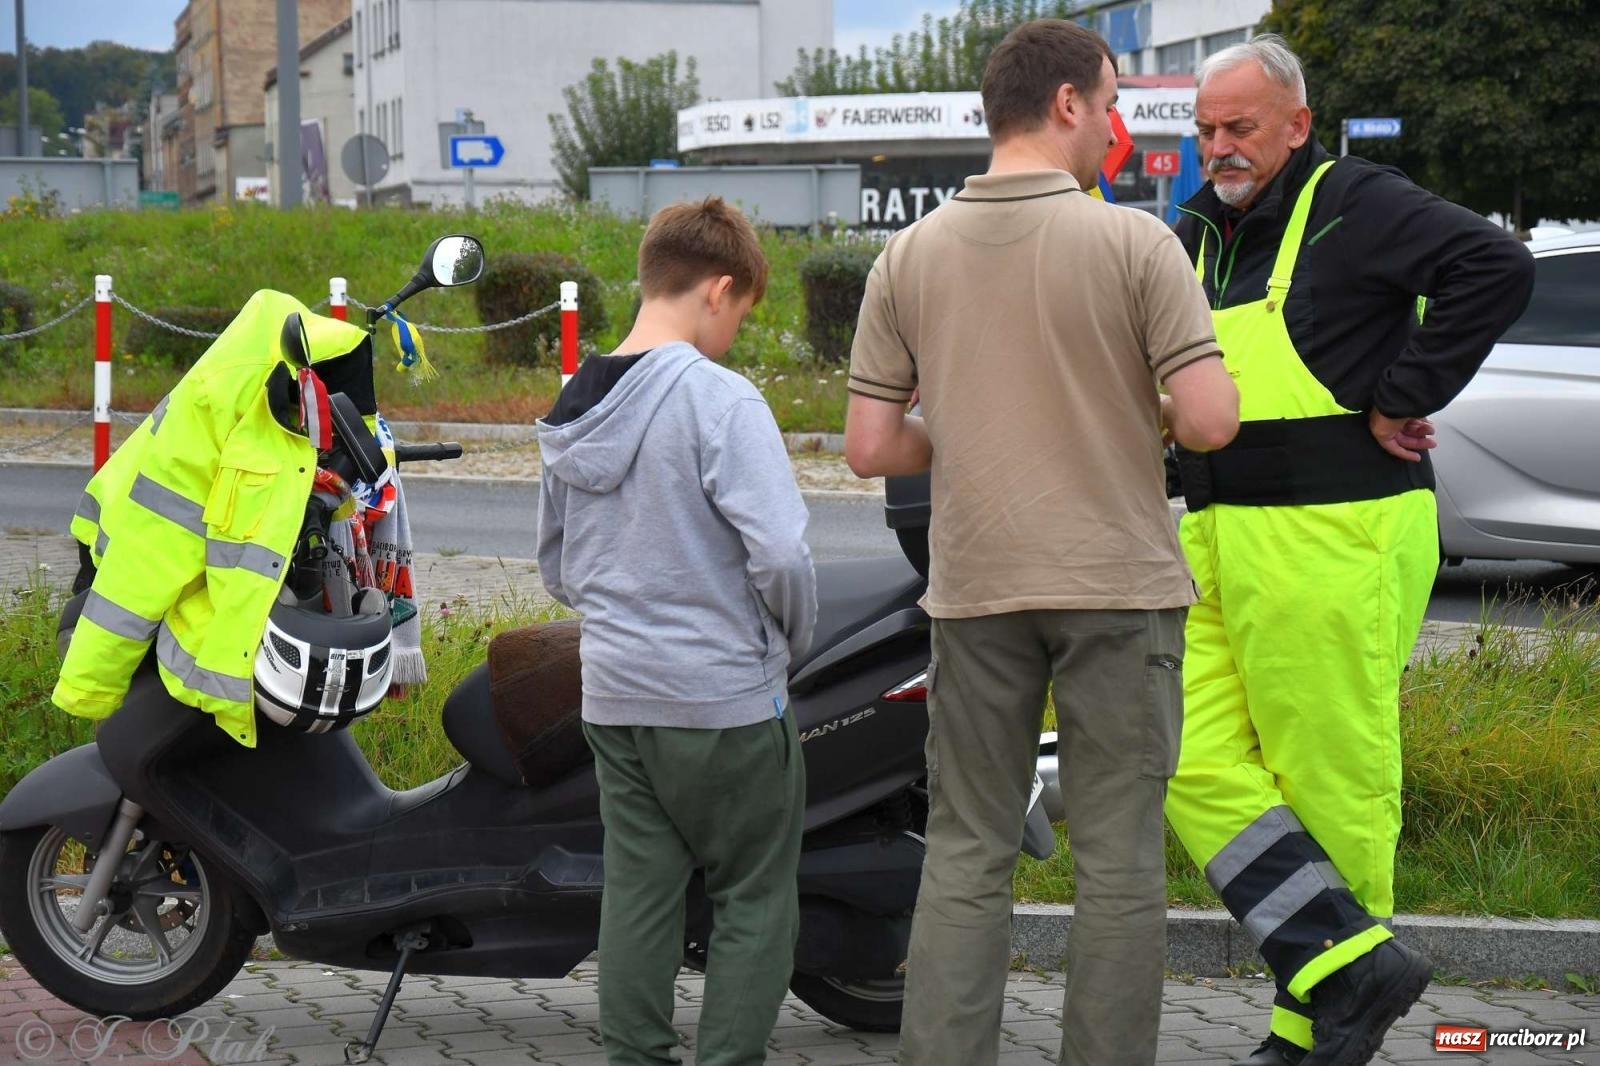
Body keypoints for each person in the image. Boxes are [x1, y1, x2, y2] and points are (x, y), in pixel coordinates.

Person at [844, 19, 1239, 1066]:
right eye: (1107, 104)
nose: (1111, 126)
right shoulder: (1135, 243)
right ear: (1066, 103)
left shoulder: (907, 256)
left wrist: (970, 420)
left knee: (967, 852)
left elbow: (872, 446)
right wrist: (1129, 407)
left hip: (974, 589)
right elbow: (1206, 420)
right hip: (1117, 587)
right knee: (1116, 862)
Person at [1163, 35, 1536, 1066]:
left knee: (1331, 776)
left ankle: (1314, 1027)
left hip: (1338, 531)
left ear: (1296, 122)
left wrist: (1402, 396)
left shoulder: (1355, 199)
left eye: (1238, 126)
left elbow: (1491, 265)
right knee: (1179, 752)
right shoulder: (1196, 229)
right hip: (1213, 532)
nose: (1218, 147)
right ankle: (1349, 969)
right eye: (1203, 130)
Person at [535, 196, 816, 1066]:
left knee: (640, 896)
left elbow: (555, 565)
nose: (734, 332)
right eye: (741, 313)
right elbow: (781, 555)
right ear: (718, 290)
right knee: (755, 897)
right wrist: (787, 645)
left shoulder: (573, 402)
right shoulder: (721, 400)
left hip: (615, 697)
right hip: (724, 699)